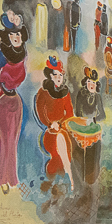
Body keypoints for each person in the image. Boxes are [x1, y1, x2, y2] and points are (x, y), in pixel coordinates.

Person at [0, 13, 28, 192]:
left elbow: (19, 78)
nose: (16, 38)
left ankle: (11, 178)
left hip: (15, 102)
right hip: (1, 103)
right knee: (5, 142)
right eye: (13, 36)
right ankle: (1, 179)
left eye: (18, 35)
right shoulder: (0, 54)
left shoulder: (22, 55)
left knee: (13, 142)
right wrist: (0, 91)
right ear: (8, 38)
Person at [33, 54, 74, 183]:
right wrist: (51, 124)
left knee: (67, 148)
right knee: (56, 151)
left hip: (63, 128)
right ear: (50, 76)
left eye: (60, 75)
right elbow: (40, 113)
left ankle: (66, 177)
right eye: (55, 75)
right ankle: (56, 178)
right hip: (49, 131)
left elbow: (70, 113)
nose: (58, 78)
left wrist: (61, 124)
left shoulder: (65, 93)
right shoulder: (43, 92)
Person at [69, 66, 105, 190]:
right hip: (80, 125)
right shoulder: (81, 94)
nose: (91, 85)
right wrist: (84, 120)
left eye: (93, 83)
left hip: (92, 126)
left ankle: (91, 177)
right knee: (78, 149)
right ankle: (79, 178)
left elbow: (102, 115)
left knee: (95, 147)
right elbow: (77, 112)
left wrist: (93, 119)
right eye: (89, 82)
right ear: (86, 83)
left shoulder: (98, 97)